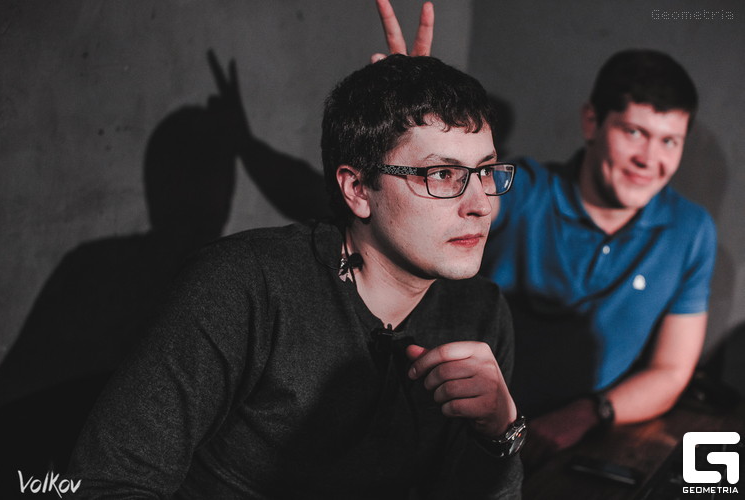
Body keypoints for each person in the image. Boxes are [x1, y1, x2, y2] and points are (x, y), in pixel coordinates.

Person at [68, 54, 525, 498]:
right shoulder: (245, 285)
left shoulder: (481, 312)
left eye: (485, 171)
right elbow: (106, 483)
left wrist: (500, 432)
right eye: (442, 174)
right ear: (358, 189)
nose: (481, 205)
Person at [374, 0, 716, 464]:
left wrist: (587, 414)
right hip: (465, 434)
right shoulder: (525, 190)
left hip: (583, 445)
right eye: (634, 132)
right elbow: (442, 200)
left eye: (669, 141)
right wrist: (410, 118)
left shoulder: (690, 230)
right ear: (591, 122)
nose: (648, 159)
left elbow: (672, 370)